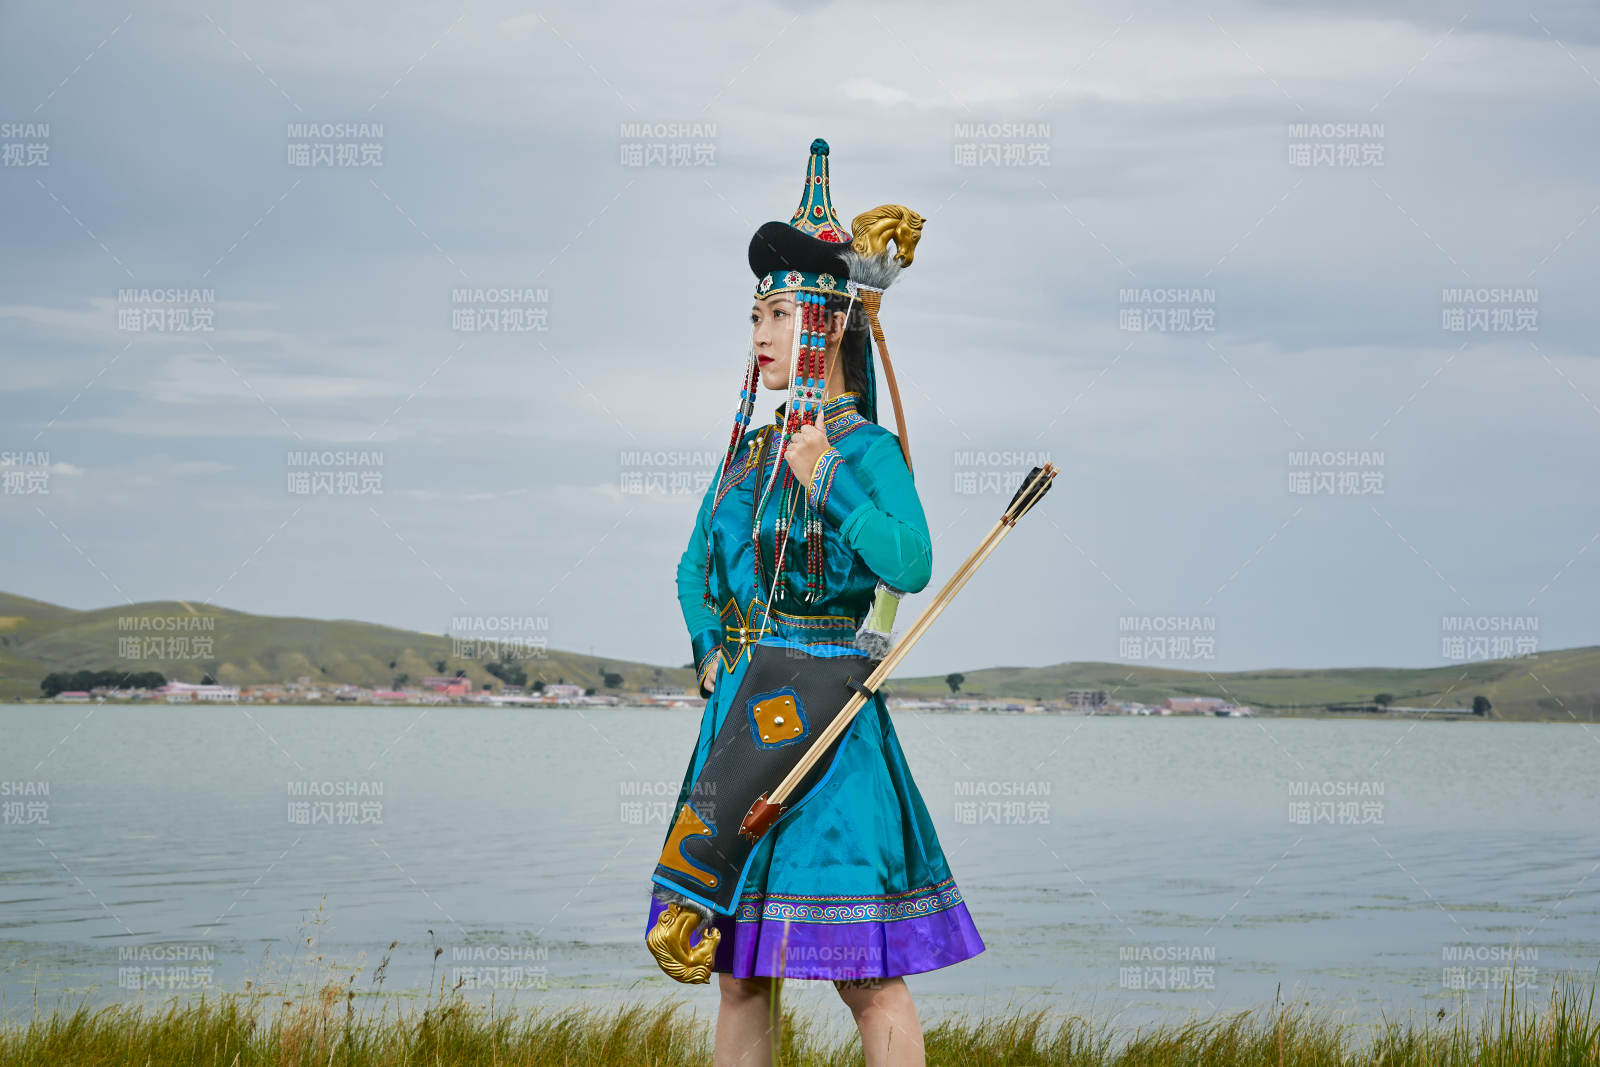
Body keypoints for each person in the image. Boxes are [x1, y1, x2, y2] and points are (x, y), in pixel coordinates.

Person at [647, 138, 983, 1067]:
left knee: (864, 974)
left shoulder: (865, 452)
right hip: (744, 712)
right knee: (740, 967)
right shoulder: (747, 455)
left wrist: (828, 474)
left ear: (828, 326)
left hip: (832, 725)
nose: (757, 332)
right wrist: (711, 646)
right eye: (753, 314)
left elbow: (910, 562)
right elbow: (690, 565)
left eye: (777, 313)